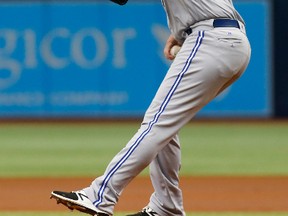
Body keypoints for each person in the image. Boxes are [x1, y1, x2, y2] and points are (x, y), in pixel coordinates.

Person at [50, 0, 251, 215]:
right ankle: (166, 207)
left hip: (209, 39)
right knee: (165, 123)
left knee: (156, 123)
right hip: (234, 41)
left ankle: (100, 195)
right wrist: (182, 30)